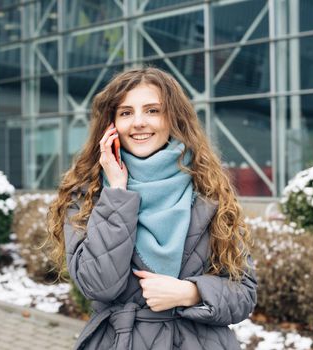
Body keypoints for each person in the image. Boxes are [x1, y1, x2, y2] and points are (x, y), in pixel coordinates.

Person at [46, 66, 257, 350]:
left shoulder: (209, 189)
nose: (139, 122)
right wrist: (117, 193)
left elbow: (244, 293)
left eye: (152, 110)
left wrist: (191, 292)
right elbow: (97, 285)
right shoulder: (86, 195)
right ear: (110, 125)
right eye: (125, 113)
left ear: (173, 118)